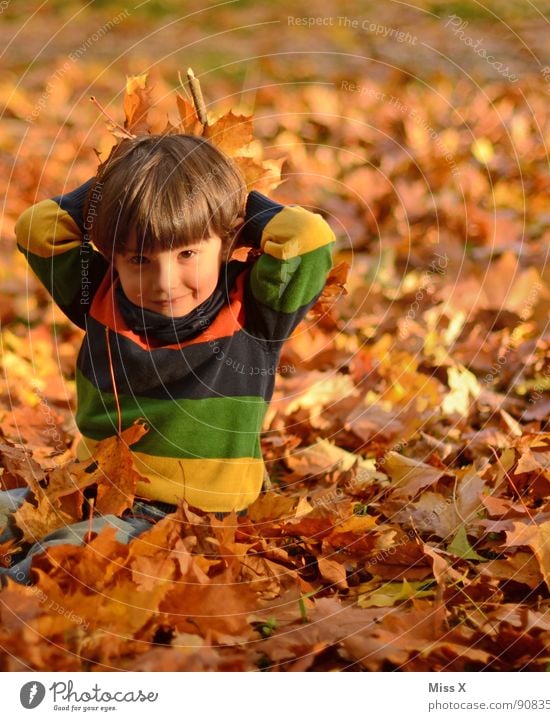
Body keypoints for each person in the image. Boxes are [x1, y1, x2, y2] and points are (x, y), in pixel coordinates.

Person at [1, 133, 336, 585]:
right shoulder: (98, 295)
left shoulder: (252, 312)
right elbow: (38, 227)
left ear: (227, 240)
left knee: (50, 567)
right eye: (139, 259)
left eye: (187, 254)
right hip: (87, 487)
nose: (165, 281)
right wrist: (114, 189)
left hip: (186, 519)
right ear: (112, 257)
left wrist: (232, 202)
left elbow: (310, 239)